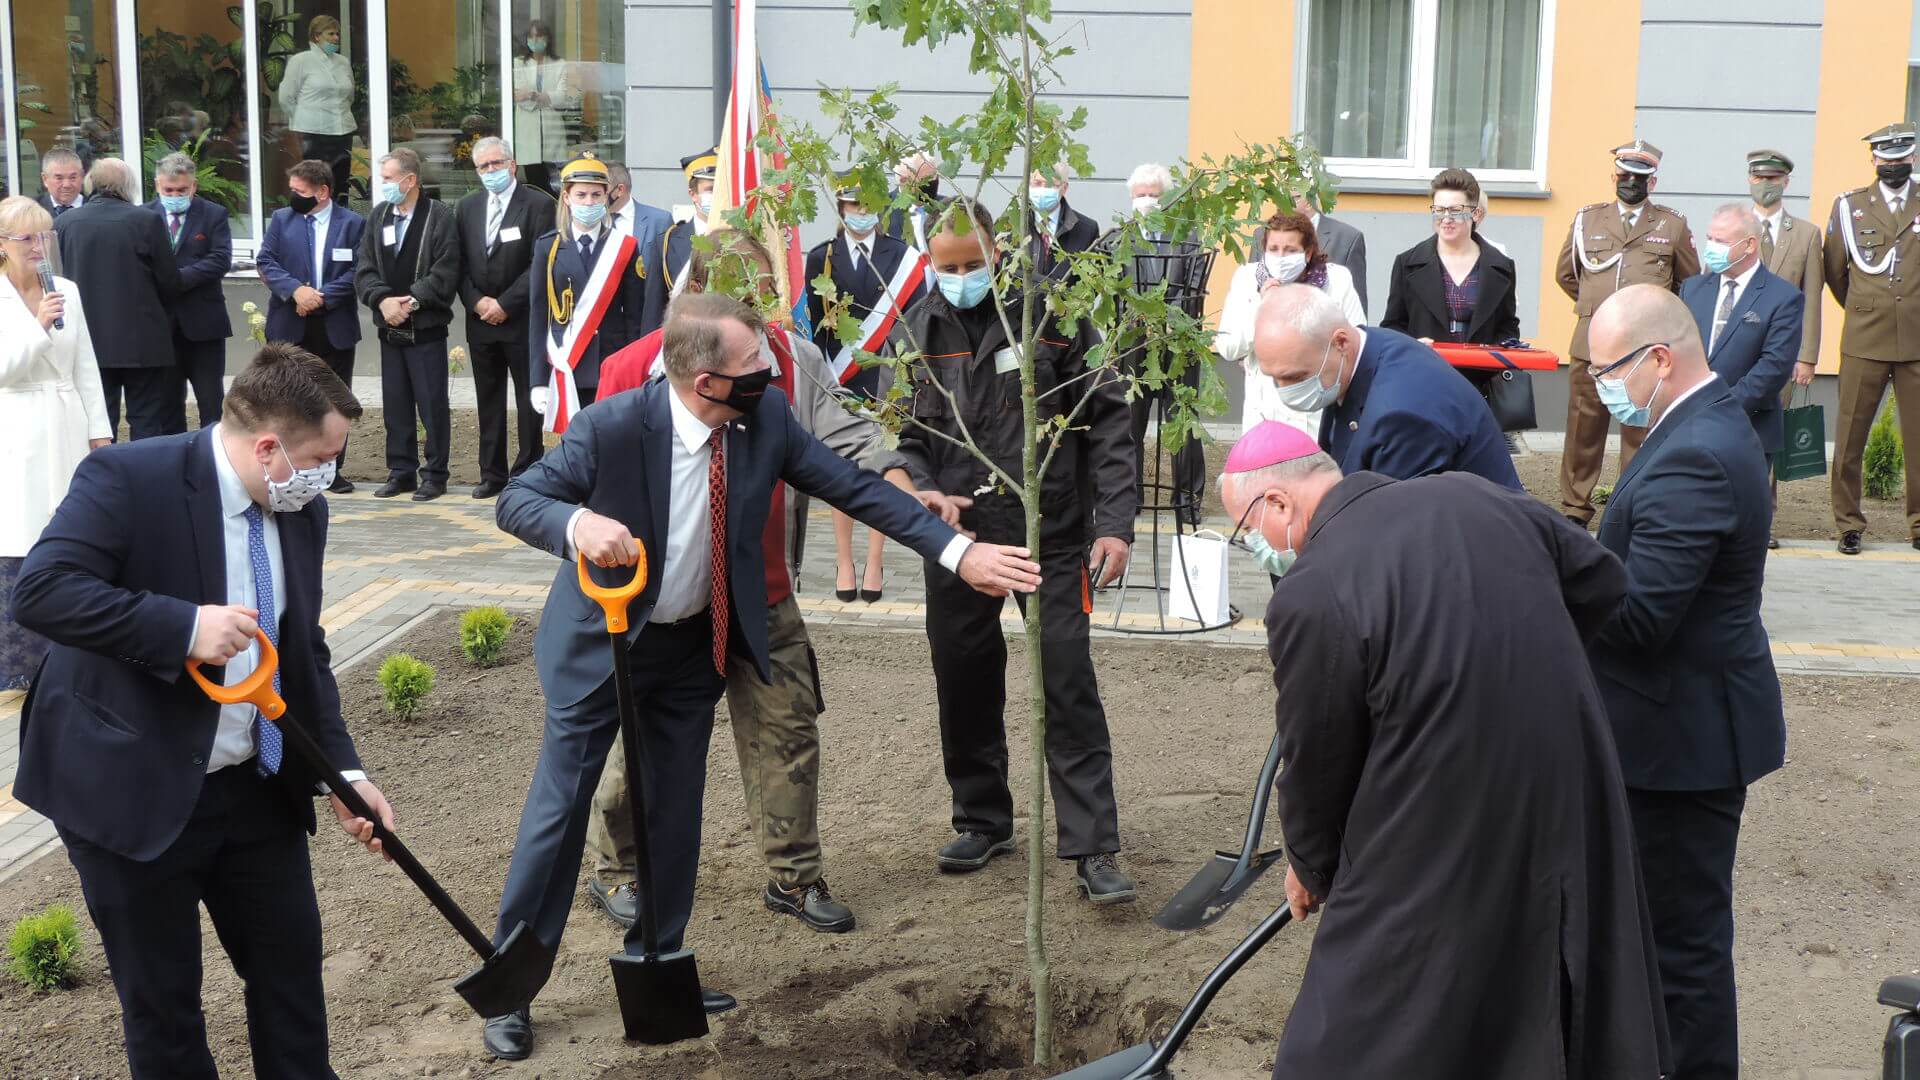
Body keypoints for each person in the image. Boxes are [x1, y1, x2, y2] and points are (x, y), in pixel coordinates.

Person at [481, 291, 1041, 1060]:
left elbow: (858, 491)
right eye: (753, 363)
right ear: (704, 378)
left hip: (688, 650)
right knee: (560, 813)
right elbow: (520, 498)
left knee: (674, 814)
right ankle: (511, 990)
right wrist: (580, 525)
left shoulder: (766, 420)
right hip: (603, 647)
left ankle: (657, 966)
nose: (772, 369)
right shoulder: (616, 427)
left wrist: (959, 553)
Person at [1219, 421, 1668, 1079]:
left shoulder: (1313, 590)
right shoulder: (1477, 497)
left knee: (1355, 1028)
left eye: (1247, 531)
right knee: (1531, 977)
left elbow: (1316, 760)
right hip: (1561, 791)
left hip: (1435, 816)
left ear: (1279, 504)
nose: (1256, 548)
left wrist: (1311, 868)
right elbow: (1602, 582)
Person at [11, 344, 395, 1078]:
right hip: (132, 786)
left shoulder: (298, 509)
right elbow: (43, 590)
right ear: (267, 447)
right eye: (323, 458)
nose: (328, 477)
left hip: (254, 786)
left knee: (290, 983)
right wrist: (184, 627)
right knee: (165, 1010)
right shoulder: (129, 477)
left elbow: (303, 648)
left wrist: (342, 771)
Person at [582, 229, 961, 934]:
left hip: (762, 592)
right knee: (638, 745)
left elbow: (848, 443)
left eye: (760, 292)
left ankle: (794, 876)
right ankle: (616, 868)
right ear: (694, 296)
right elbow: (592, 480)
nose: (753, 309)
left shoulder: (792, 358)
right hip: (661, 603)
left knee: (788, 732)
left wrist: (905, 483)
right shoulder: (635, 368)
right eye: (734, 291)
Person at [895, 199, 1139, 902]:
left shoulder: (1051, 317)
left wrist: (1114, 524)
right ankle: (982, 818)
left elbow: (1110, 419)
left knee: (1067, 682)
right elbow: (903, 436)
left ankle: (1092, 846)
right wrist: (922, 490)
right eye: (949, 267)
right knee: (964, 679)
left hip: (1052, 534)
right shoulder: (919, 330)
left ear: (999, 250)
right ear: (931, 264)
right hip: (960, 542)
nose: (963, 277)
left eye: (974, 263)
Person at [1583, 284, 1785, 1079]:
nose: (1599, 387)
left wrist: (1553, 580)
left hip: (1681, 740)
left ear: (1659, 360)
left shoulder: (1696, 451)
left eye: (1607, 370)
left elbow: (1639, 617)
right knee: (1671, 938)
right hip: (1680, 726)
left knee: (1682, 950)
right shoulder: (1692, 425)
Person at [1556, 139, 1701, 527]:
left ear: (1652, 182)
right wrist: (1604, 317)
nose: (1630, 183)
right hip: (1591, 345)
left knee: (1639, 433)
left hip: (1643, 351)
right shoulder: (1588, 219)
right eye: (1624, 175)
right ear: (1613, 176)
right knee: (1583, 429)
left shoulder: (1671, 225)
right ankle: (1574, 509)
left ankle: (1631, 508)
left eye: (1640, 177)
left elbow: (1689, 284)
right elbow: (1568, 276)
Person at [1253, 284, 1520, 489]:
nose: (1284, 390)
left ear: (1341, 343)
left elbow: (1387, 532)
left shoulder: (1402, 413)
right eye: (1274, 377)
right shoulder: (1361, 353)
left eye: (1297, 378)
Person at [0, 198, 110, 690]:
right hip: (17, 423)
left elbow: (85, 363)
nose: (38, 248)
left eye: (45, 237)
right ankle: (18, 660)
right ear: (3, 245)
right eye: (27, 239)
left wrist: (100, 431)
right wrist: (39, 326)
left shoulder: (64, 289)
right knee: (18, 530)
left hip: (66, 420)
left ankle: (71, 647)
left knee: (68, 527)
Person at [804, 174, 929, 602]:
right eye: (854, 206)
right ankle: (844, 560)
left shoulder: (904, 256)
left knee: (881, 468)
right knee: (843, 470)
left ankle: (875, 560)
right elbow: (813, 327)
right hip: (838, 378)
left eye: (869, 205)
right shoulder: (821, 257)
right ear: (841, 208)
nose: (861, 213)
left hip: (887, 378)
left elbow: (916, 322)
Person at [1824, 122, 1920, 555]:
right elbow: (1835, 272)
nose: (1892, 166)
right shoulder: (1850, 207)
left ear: (1912, 159)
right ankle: (1848, 524)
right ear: (1875, 161)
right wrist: (1865, 308)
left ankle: (1918, 525)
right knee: (1849, 437)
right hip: (1865, 336)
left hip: (1918, 339)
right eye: (1885, 160)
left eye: (1900, 159)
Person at [1680, 204, 1801, 546]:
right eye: (1709, 238)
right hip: (1690, 425)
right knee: (1689, 515)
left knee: (1737, 525)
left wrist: (1720, 406)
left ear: (1749, 245)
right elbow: (1677, 350)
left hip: (1749, 428)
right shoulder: (1693, 290)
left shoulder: (1783, 298)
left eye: (1720, 240)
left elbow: (1773, 368)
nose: (1711, 248)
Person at [1099, 162, 1208, 523]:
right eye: (1141, 195)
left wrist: (1165, 323)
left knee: (1182, 427)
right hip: (1133, 349)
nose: (1147, 201)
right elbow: (1113, 289)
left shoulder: (1187, 236)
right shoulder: (1116, 239)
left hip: (1178, 348)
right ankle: (1130, 499)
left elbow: (1193, 289)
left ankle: (1188, 500)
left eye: (1155, 195)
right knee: (1129, 425)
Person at [354, 147, 460, 501]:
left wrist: (411, 301)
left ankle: (434, 474)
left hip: (426, 327)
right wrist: (383, 300)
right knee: (395, 403)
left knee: (431, 404)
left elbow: (446, 269)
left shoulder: (439, 216)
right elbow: (364, 267)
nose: (381, 185)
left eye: (386, 178)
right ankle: (401, 471)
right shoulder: (379, 216)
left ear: (409, 180)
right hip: (389, 325)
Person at [257, 159, 368, 492]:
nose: (293, 196)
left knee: (334, 401)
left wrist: (320, 297)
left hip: (334, 325)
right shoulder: (281, 220)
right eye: (292, 190)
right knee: (288, 399)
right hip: (290, 324)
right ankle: (291, 467)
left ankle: (332, 469)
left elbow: (359, 269)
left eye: (299, 191)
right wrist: (297, 291)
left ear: (322, 192)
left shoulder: (352, 224)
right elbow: (266, 261)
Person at [55, 157, 185, 440]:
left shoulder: (65, 222)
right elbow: (169, 281)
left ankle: (105, 479)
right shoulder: (147, 220)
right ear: (129, 186)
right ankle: (144, 478)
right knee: (147, 419)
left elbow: (56, 280)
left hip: (89, 340)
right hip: (144, 340)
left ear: (91, 183)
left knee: (100, 420)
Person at [456, 136, 556, 499]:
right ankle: (491, 473)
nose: (490, 172)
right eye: (483, 167)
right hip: (480, 322)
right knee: (489, 399)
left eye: (496, 164)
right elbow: (460, 264)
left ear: (512, 165)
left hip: (521, 320)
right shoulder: (467, 207)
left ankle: (528, 470)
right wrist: (478, 302)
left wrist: (505, 304)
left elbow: (540, 263)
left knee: (529, 399)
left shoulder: (539, 204)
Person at [527, 152, 650, 434]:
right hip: (565, 365)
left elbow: (634, 317)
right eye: (581, 195)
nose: (589, 202)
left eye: (596, 195)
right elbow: (538, 316)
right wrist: (537, 380)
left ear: (608, 196)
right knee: (570, 451)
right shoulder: (548, 247)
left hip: (610, 363)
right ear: (566, 198)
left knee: (610, 444)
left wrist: (635, 370)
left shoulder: (625, 247)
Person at [1216, 210, 1365, 438]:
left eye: (1291, 250)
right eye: (1273, 249)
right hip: (1264, 414)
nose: (1281, 257)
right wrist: (1263, 306)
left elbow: (1356, 341)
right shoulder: (1247, 279)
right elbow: (1228, 347)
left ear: (1308, 253)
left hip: (1317, 413)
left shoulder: (1337, 280)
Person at [1746, 149, 1825, 528]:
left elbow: (1812, 298)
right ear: (1750, 181)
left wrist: (1807, 356)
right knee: (1733, 428)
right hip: (1736, 351)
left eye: (1773, 179)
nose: (1766, 186)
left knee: (1772, 434)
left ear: (1786, 183)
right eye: (1759, 178)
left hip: (1783, 353)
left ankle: (1763, 516)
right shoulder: (1735, 227)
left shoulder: (1807, 235)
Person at [1380, 168, 1520, 355]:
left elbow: (1508, 327)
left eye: (1455, 211)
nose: (1446, 219)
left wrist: (1493, 354)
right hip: (1426, 371)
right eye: (1438, 210)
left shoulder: (1502, 267)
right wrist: (1412, 345)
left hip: (1481, 379)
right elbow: (1392, 325)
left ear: (1476, 214)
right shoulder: (1407, 264)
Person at [149, 153, 234, 427]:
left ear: (194, 186)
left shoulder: (214, 215)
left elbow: (220, 259)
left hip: (204, 326)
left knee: (211, 403)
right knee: (167, 403)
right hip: (161, 326)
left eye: (182, 190)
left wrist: (177, 279)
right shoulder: (143, 216)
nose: (175, 195)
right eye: (169, 190)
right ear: (157, 186)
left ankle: (211, 462)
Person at [277, 15, 356, 207]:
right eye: (331, 34)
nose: (336, 38)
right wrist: (302, 120)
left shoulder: (343, 62)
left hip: (342, 129)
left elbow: (350, 95)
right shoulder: (301, 61)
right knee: (315, 182)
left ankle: (338, 224)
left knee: (340, 183)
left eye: (337, 34)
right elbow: (286, 97)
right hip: (313, 132)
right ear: (316, 36)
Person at [604, 160, 672, 332]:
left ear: (619, 190)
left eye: (601, 190)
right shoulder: (592, 222)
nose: (595, 197)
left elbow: (668, 277)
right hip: (605, 323)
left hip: (645, 322)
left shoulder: (660, 221)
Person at [512, 20, 578, 194]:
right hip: (527, 127)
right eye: (531, 36)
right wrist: (546, 97)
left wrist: (533, 95)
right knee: (534, 177)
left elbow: (562, 97)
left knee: (555, 177)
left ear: (547, 38)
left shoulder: (559, 64)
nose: (535, 39)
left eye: (539, 35)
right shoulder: (519, 63)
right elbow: (518, 96)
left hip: (551, 127)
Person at [654, 147, 719, 303]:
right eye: (710, 189)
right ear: (693, 194)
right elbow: (655, 304)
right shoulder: (667, 242)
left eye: (721, 188)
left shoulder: (742, 238)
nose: (717, 195)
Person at [1294, 192, 1368, 314]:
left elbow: (1357, 307)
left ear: (1307, 202)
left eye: (1287, 197)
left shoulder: (1348, 238)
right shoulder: (1262, 234)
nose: (1278, 203)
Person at [1024, 168, 1098, 280]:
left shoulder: (1087, 230)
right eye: (1037, 183)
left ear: (1064, 188)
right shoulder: (1011, 227)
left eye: (1050, 184)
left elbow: (1093, 281)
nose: (1043, 190)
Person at [36, 148, 86, 219]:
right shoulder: (32, 210)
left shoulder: (96, 210)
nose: (67, 185)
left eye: (72, 177)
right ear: (45, 179)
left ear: (82, 176)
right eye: (59, 178)